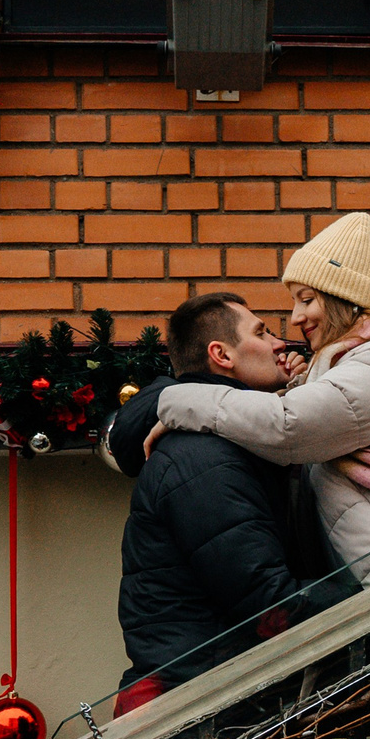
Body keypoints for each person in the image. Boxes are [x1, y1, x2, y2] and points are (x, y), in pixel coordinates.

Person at [143, 212, 370, 729]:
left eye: (307, 299)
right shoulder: (344, 365)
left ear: (345, 299)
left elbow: (291, 428)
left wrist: (179, 401)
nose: (294, 319)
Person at [105, 291, 307, 715]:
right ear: (221, 354)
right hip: (192, 719)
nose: (280, 343)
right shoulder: (202, 455)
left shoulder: (232, 443)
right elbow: (269, 602)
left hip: (214, 701)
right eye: (262, 331)